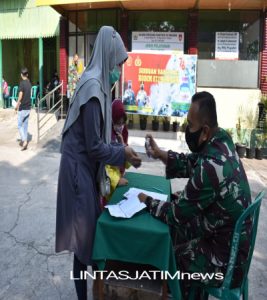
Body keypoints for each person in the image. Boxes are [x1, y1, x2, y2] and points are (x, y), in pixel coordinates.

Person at [138, 91, 252, 299]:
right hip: (229, 242)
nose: (186, 130)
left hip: (226, 263)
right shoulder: (222, 140)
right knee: (178, 233)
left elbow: (175, 215)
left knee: (171, 257)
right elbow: (194, 163)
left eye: (190, 125)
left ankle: (184, 292)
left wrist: (147, 201)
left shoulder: (211, 166)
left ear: (205, 131)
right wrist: (161, 154)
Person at [55, 26, 142, 300]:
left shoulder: (101, 85)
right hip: (77, 172)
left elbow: (101, 138)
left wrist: (122, 149)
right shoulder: (93, 89)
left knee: (88, 240)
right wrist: (123, 154)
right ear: (106, 57)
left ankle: (94, 292)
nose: (118, 69)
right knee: (85, 242)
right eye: (117, 62)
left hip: (85, 168)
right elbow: (93, 146)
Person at [104, 99, 130, 205]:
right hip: (108, 185)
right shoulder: (106, 135)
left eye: (122, 123)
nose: (120, 126)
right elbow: (104, 165)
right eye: (117, 123)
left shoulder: (123, 132)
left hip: (120, 178)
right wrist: (116, 181)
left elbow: (128, 163)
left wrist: (123, 145)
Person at [15, 68, 32, 150]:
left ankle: (24, 140)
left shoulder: (22, 83)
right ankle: (25, 140)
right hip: (28, 107)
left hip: (23, 108)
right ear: (27, 75)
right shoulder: (29, 83)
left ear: (21, 75)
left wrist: (17, 105)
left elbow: (20, 95)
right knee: (25, 125)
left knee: (19, 125)